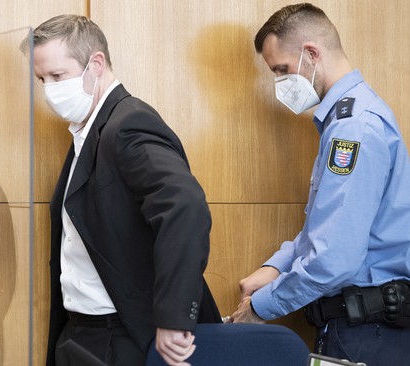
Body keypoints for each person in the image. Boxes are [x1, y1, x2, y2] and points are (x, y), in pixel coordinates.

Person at [22, 15, 221, 366]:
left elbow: (185, 207)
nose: (50, 90)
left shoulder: (128, 124)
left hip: (124, 336)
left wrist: (173, 317)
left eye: (57, 76)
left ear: (95, 64)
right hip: (82, 332)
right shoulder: (90, 129)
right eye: (42, 80)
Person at [230, 3, 410, 365]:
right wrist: (277, 266)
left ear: (311, 53)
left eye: (281, 70)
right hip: (355, 326)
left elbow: (334, 259)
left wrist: (261, 308)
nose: (280, 83)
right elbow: (325, 229)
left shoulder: (353, 128)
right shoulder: (345, 121)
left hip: (368, 332)